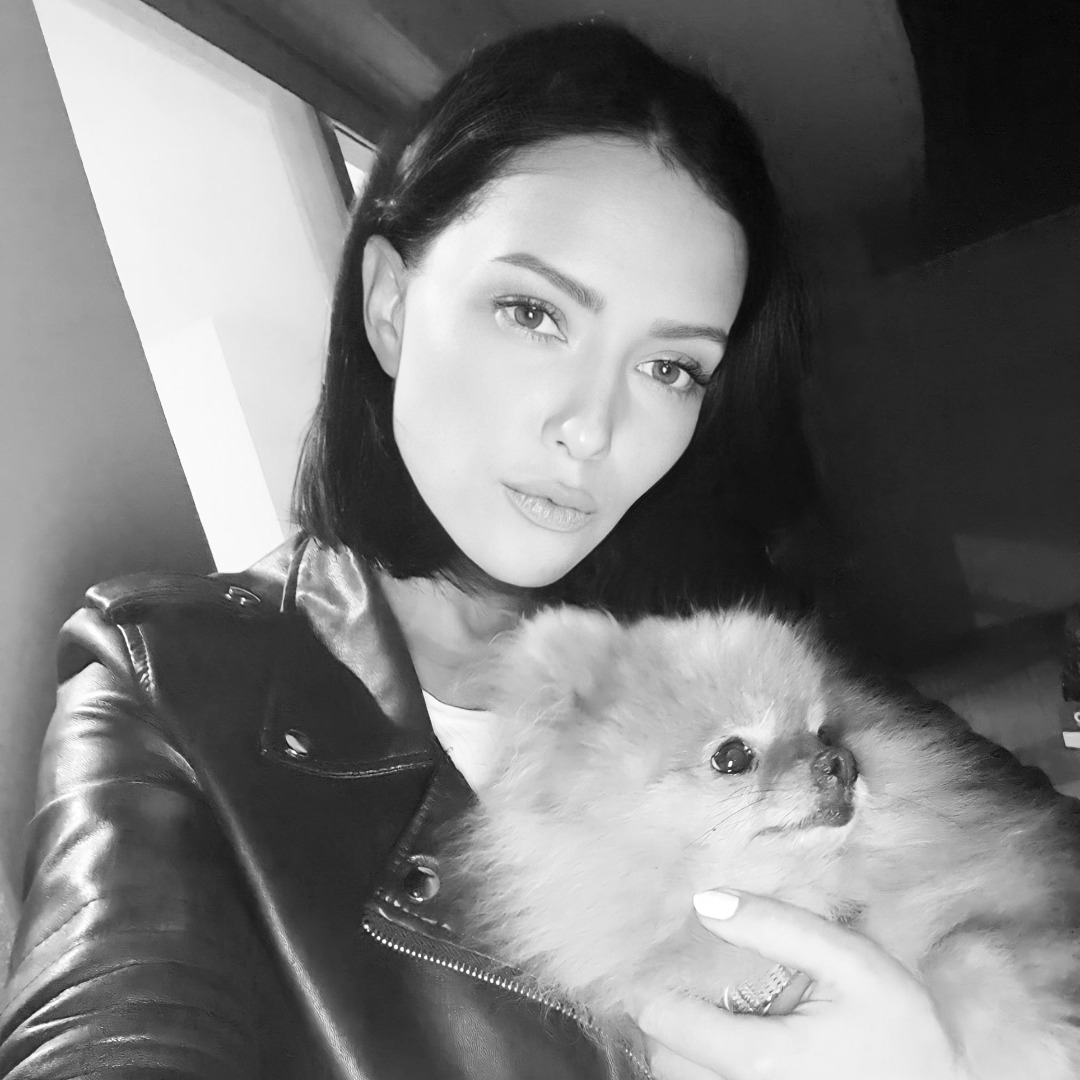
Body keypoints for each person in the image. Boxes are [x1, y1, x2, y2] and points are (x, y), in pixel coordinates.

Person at [0, 18, 996, 1080]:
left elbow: (1023, 852)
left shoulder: (737, 650)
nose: (592, 428)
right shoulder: (168, 678)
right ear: (390, 305)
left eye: (671, 369)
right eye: (533, 312)